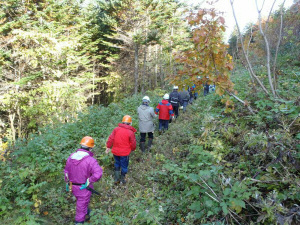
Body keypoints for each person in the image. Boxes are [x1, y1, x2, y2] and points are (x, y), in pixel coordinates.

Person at [64, 136, 103, 224]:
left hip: (73, 187)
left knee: (81, 203)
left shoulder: (71, 157)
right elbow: (98, 173)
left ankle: (87, 212)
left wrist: (67, 182)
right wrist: (89, 180)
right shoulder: (90, 160)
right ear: (91, 147)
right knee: (80, 208)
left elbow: (66, 171)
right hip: (83, 188)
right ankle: (79, 222)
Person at [106, 115, 136, 184]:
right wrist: (133, 149)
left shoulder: (116, 129)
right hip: (124, 153)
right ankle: (122, 180)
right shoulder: (130, 132)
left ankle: (116, 179)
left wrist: (108, 147)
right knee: (124, 166)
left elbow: (111, 139)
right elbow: (133, 143)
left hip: (115, 152)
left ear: (122, 122)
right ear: (130, 123)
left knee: (117, 163)